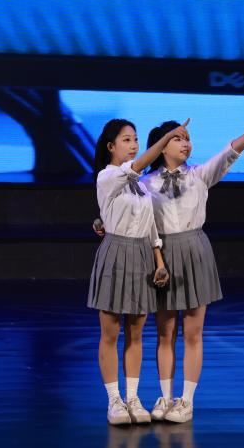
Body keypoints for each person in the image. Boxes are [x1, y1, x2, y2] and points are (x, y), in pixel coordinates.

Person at [144, 109, 244, 423]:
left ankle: (186, 401)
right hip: (163, 255)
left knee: (193, 333)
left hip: (195, 252)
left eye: (188, 139)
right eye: (178, 139)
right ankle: (165, 396)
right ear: (161, 146)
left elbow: (230, 152)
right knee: (165, 332)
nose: (186, 144)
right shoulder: (147, 184)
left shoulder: (199, 175)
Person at [89, 118, 188, 425]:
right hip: (116, 252)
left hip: (142, 256)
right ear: (111, 146)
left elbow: (150, 227)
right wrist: (166, 139)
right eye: (126, 140)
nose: (133, 145)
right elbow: (136, 167)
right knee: (110, 332)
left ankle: (132, 398)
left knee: (136, 332)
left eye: (135, 139)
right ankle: (114, 400)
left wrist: (159, 262)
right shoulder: (108, 176)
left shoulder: (141, 186)